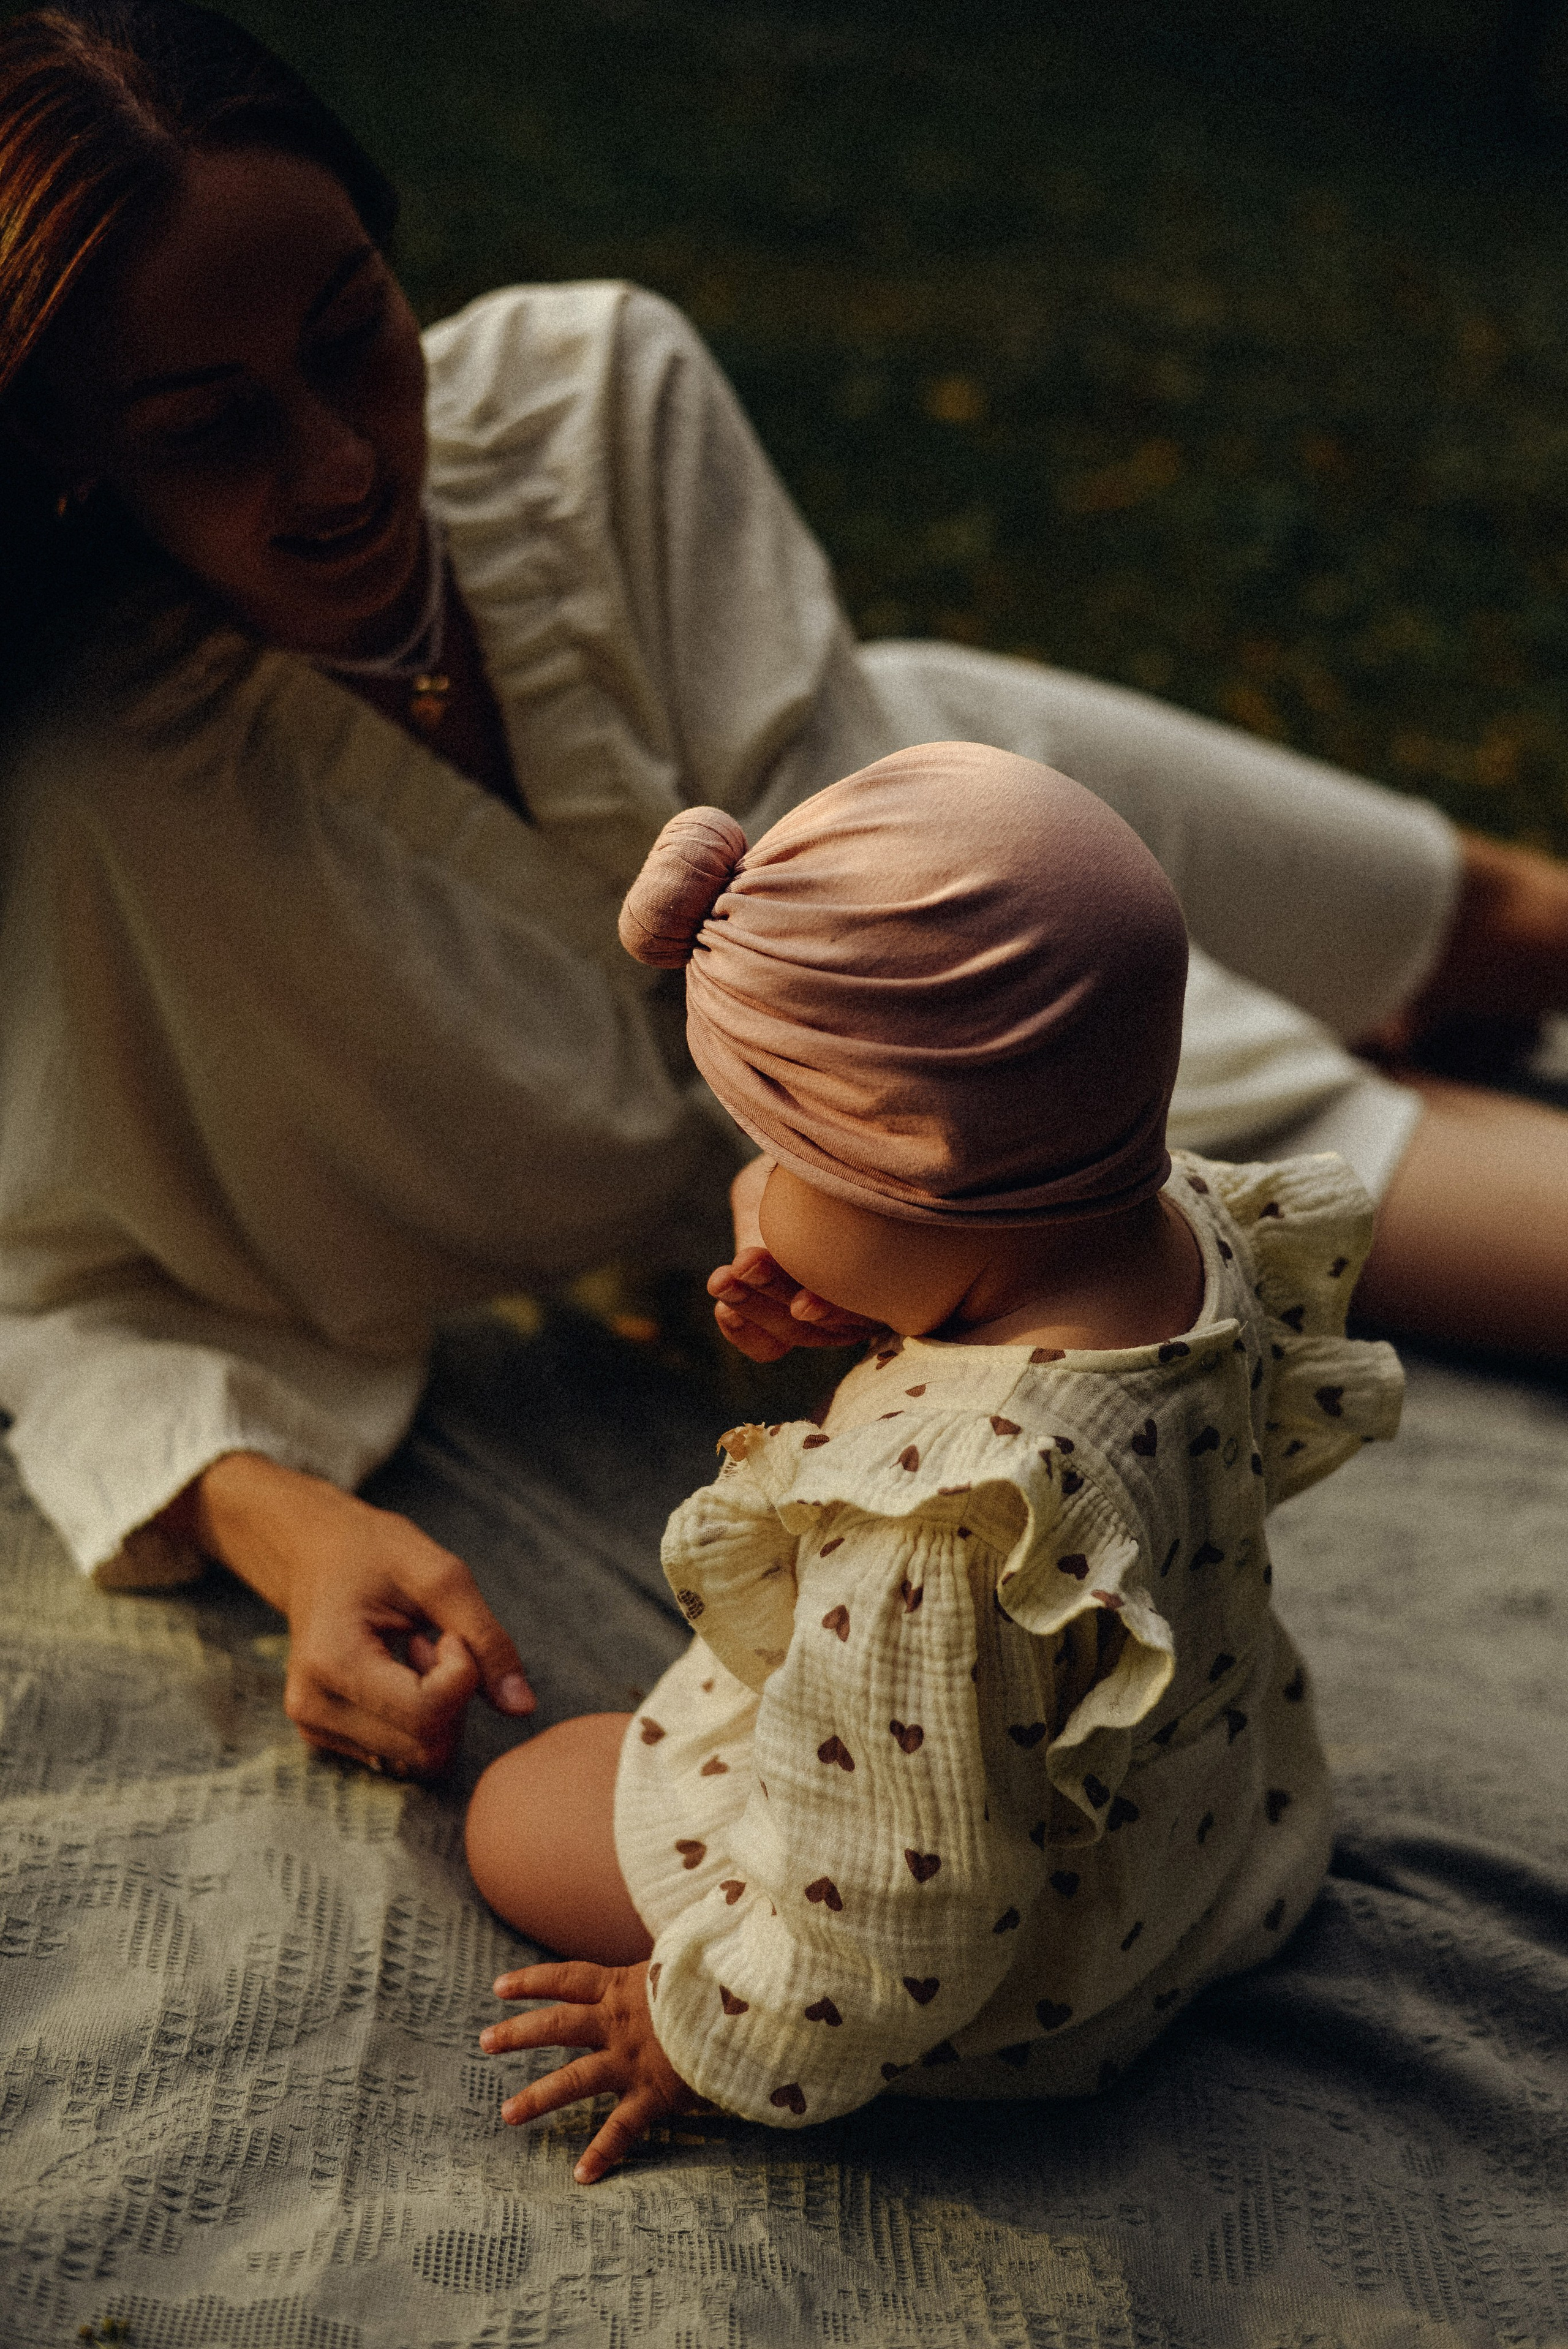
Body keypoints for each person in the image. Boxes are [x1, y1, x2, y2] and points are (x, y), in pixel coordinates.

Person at [0, 0, 1564, 1779]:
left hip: (985, 896)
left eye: (355, 332)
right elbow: (61, 1280)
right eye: (211, 428)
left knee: (1511, 924)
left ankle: (1417, 989)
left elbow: (897, 914)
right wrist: (292, 1540)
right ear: (72, 455)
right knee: (1414, 1172)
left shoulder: (600, 395)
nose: (341, 465)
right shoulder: (104, 811)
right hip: (992, 1145)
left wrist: (824, 1189)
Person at [465, 745, 1403, 2181]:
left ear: (926, 1165)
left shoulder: (947, 1524)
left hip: (1010, 1982)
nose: (755, 1199)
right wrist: (864, 1287)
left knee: (514, 1812)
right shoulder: (1187, 1231)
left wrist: (705, 2037)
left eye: (780, 1156)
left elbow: (905, 1904)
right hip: (1204, 1843)